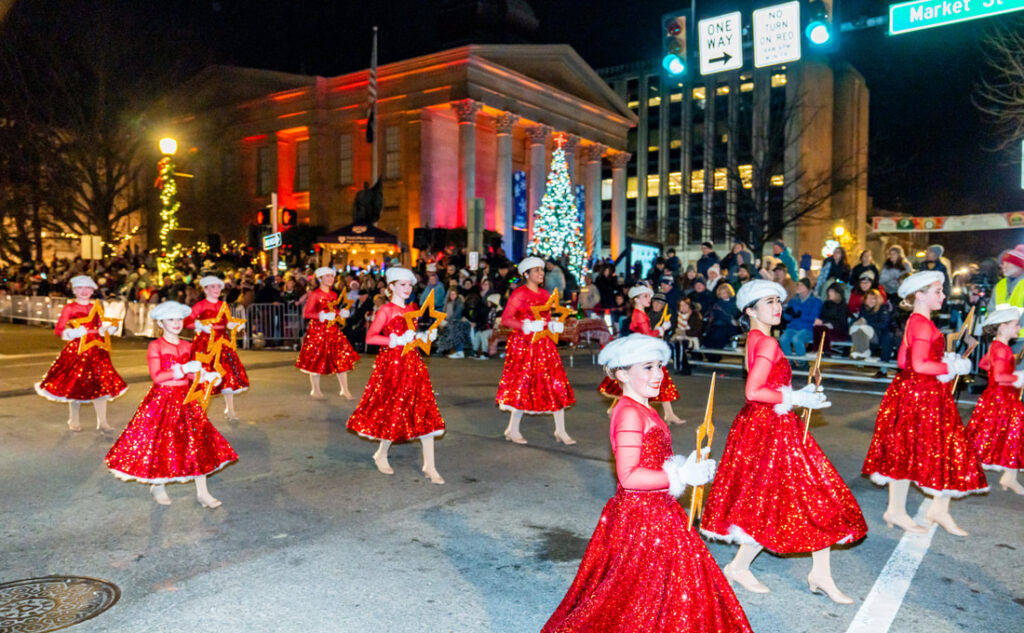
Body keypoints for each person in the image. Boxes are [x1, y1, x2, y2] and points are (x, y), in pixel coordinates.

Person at [540, 334, 753, 633]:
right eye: (648, 367)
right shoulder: (628, 412)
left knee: (657, 588)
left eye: (660, 366)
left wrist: (687, 464)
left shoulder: (644, 408)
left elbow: (654, 458)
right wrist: (681, 475)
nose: (658, 375)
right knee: (642, 591)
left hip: (658, 508)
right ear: (623, 373)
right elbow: (628, 477)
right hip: (643, 516)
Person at [701, 280, 866, 604]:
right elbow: (753, 391)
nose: (777, 307)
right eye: (769, 302)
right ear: (750, 310)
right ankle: (751, 567)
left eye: (778, 301)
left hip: (764, 426)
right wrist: (796, 395)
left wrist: (796, 397)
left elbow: (763, 389)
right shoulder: (766, 344)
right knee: (814, 495)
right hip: (771, 430)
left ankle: (750, 566)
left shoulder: (755, 338)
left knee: (774, 500)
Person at [862, 271, 987, 536]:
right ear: (919, 294)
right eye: (937, 291)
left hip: (921, 393)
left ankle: (919, 509)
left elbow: (903, 363)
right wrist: (950, 365)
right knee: (940, 449)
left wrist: (945, 362)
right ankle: (912, 510)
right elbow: (918, 364)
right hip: (922, 395)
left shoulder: (917, 321)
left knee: (912, 451)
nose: (943, 295)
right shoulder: (920, 323)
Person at [105, 301, 236, 508]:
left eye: (178, 319)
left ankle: (203, 492)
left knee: (197, 442)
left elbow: (192, 373)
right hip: (163, 399)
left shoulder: (187, 345)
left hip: (186, 399)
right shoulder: (155, 346)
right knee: (161, 444)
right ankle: (158, 485)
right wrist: (182, 369)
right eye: (171, 319)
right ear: (160, 322)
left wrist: (207, 376)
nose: (176, 323)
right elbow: (157, 376)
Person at [346, 267, 446, 484]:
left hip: (413, 365)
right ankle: (381, 453)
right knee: (392, 411)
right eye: (403, 285)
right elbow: (371, 337)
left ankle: (430, 465)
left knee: (423, 410)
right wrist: (394, 340)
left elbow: (413, 340)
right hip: (392, 365)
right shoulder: (386, 310)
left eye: (409, 285)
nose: (407, 288)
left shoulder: (412, 308)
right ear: (391, 286)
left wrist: (425, 336)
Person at [496, 256, 576, 445]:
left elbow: (546, 319)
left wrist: (553, 326)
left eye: (542, 270)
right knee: (523, 386)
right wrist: (526, 325)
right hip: (524, 346)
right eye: (536, 271)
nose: (541, 274)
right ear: (526, 274)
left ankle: (561, 430)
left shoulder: (545, 295)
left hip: (544, 346)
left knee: (555, 383)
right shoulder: (519, 294)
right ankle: (513, 429)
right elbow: (506, 319)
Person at [35, 275, 126, 432]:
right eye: (80, 288)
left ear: (92, 291)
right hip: (77, 351)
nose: (84, 291)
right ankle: (74, 419)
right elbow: (59, 329)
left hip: (97, 351)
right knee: (75, 385)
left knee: (101, 385)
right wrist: (72, 333)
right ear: (75, 290)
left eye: (87, 288)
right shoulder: (69, 308)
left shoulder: (97, 307)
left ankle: (102, 422)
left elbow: (100, 325)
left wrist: (106, 330)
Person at [598, 285, 684, 425]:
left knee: (659, 380)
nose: (649, 299)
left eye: (649, 296)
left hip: (645, 352)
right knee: (640, 383)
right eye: (645, 296)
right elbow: (648, 335)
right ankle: (617, 410)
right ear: (636, 299)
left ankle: (669, 414)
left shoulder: (641, 313)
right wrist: (661, 329)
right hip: (642, 354)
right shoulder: (639, 314)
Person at [966, 307, 1024, 495]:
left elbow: (984, 363)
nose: (1018, 329)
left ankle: (1010, 477)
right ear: (1003, 326)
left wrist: (1007, 362)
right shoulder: (1002, 348)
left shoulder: (997, 346)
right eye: (1015, 325)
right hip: (1002, 398)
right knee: (989, 438)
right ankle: (965, 473)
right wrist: (1018, 376)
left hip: (1000, 397)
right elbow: (999, 376)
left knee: (1011, 436)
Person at [185, 275, 249, 421]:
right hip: (204, 344)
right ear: (205, 289)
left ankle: (230, 410)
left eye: (218, 287)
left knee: (227, 375)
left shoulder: (223, 305)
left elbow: (226, 322)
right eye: (213, 287)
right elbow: (186, 322)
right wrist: (199, 325)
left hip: (222, 342)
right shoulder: (200, 305)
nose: (216, 289)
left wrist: (232, 325)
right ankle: (200, 412)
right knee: (203, 376)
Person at [295, 267, 359, 400]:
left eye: (332, 276)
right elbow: (306, 313)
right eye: (327, 276)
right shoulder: (315, 294)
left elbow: (333, 311)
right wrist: (321, 316)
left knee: (341, 357)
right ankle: (315, 390)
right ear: (320, 279)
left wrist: (340, 313)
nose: (331, 279)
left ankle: (345, 390)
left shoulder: (334, 294)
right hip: (317, 330)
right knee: (316, 359)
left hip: (332, 330)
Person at [849, 289, 895, 372]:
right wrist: (856, 322)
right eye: (868, 298)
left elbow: (883, 325)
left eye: (873, 298)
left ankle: (864, 352)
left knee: (863, 328)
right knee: (855, 328)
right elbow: (859, 320)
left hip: (879, 336)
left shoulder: (883, 309)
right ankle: (860, 351)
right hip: (866, 335)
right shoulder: (863, 309)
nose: (870, 301)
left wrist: (867, 322)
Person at [779, 279, 822, 362]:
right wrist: (788, 314)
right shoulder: (793, 300)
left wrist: (800, 314)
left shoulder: (816, 301)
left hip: (808, 329)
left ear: (807, 287)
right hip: (793, 327)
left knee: (797, 339)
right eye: (798, 285)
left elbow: (814, 318)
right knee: (783, 339)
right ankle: (789, 363)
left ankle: (802, 364)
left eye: (801, 285)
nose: (799, 287)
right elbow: (788, 318)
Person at [988, 245, 1024, 335]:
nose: (1002, 266)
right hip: (1003, 337)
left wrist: (1012, 329)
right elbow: (991, 310)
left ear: (1019, 265)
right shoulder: (1000, 285)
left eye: (1007, 262)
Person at [814, 283, 850, 355]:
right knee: (818, 328)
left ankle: (823, 351)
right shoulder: (826, 304)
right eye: (829, 291)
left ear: (838, 293)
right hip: (825, 328)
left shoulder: (843, 306)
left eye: (832, 292)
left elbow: (842, 323)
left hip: (839, 330)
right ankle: (821, 350)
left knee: (822, 330)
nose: (829, 293)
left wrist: (825, 322)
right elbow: (822, 317)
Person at [670, 297, 703, 375]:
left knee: (680, 344)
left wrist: (684, 333)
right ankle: (681, 367)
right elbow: (674, 328)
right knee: (674, 344)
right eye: (681, 305)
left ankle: (682, 368)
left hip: (693, 338)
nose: (683, 307)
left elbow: (696, 331)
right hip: (678, 337)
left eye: (685, 305)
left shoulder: (696, 315)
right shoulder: (677, 316)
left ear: (689, 306)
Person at [703, 283, 740, 350]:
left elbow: (736, 314)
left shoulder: (735, 303)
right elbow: (717, 316)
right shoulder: (717, 304)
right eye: (720, 293)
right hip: (720, 326)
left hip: (731, 328)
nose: (722, 295)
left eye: (724, 293)